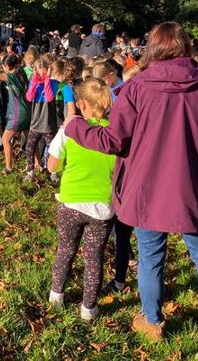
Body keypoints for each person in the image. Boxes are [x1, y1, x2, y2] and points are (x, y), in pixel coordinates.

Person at [62, 22, 198, 354]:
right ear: (186, 46)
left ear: (152, 48)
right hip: (196, 189)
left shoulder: (137, 88)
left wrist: (75, 126)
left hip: (146, 190)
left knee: (152, 257)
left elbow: (113, 139)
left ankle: (152, 322)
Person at [47, 78, 116, 321]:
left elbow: (52, 166)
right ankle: (88, 308)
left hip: (71, 202)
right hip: (103, 206)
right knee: (94, 257)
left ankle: (56, 295)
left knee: (66, 248)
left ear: (82, 104)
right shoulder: (116, 133)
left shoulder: (69, 131)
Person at [24, 58, 58, 179]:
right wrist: (34, 81)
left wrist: (47, 79)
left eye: (42, 72)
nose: (40, 76)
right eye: (38, 72)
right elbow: (29, 97)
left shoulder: (53, 83)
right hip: (35, 123)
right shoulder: (33, 82)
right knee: (30, 148)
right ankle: (30, 171)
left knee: (52, 149)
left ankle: (52, 172)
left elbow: (49, 97)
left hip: (48, 124)